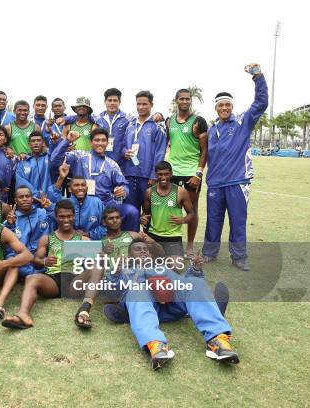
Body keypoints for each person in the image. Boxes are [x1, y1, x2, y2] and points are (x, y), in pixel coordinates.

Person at [105, 239, 239, 370]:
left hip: (173, 307)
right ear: (129, 256)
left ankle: (217, 340)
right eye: (138, 249)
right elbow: (112, 291)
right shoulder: (124, 270)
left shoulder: (161, 268)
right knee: (136, 291)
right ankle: (156, 344)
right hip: (146, 307)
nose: (143, 252)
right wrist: (116, 273)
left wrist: (195, 269)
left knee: (195, 283)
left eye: (146, 250)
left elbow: (184, 285)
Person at [203, 64, 268, 271]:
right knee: (213, 221)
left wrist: (257, 77)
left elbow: (261, 103)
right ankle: (209, 253)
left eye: (227, 105)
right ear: (215, 107)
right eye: (220, 105)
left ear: (232, 106)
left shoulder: (243, 122)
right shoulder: (212, 130)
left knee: (238, 222)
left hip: (237, 182)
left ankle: (239, 257)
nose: (224, 108)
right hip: (214, 184)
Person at [1, 199, 89, 330]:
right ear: (55, 216)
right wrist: (44, 261)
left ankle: (85, 310)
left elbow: (93, 265)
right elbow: (36, 263)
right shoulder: (46, 239)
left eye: (69, 216)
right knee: (31, 278)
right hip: (52, 282)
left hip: (74, 282)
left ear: (74, 216)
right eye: (62, 216)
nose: (66, 219)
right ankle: (23, 315)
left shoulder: (84, 240)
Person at [51, 127, 139, 230]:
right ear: (91, 142)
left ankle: (127, 243)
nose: (100, 143)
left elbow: (123, 184)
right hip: (81, 202)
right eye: (97, 140)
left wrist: (123, 191)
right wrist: (67, 141)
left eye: (103, 140)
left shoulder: (112, 165)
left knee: (132, 212)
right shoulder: (78, 156)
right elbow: (55, 161)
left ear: (107, 143)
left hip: (106, 203)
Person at [166, 88, 208, 257]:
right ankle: (173, 245)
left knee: (192, 210)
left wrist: (198, 173)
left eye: (187, 99)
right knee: (172, 208)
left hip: (191, 173)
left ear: (191, 101)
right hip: (173, 172)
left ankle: (189, 246)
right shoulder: (169, 122)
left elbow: (205, 150)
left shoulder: (198, 121)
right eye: (181, 99)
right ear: (176, 100)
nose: (184, 101)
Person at [121, 91, 167, 211]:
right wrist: (125, 152)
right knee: (131, 211)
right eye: (138, 104)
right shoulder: (130, 124)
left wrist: (154, 175)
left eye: (144, 104)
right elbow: (123, 145)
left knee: (149, 212)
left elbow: (160, 153)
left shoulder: (157, 126)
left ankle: (147, 231)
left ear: (151, 105)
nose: (141, 107)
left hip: (147, 177)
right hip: (129, 175)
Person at [141, 161, 195, 265]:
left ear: (171, 174)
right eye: (160, 174)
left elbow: (192, 214)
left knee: (176, 266)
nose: (163, 177)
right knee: (145, 264)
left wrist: (183, 220)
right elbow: (145, 213)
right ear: (156, 175)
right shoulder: (149, 192)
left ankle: (166, 257)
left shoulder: (181, 192)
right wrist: (142, 218)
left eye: (166, 174)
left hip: (173, 237)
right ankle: (162, 257)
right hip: (153, 235)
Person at [2, 186, 53, 281]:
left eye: (27, 196)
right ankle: (35, 275)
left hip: (41, 255)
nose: (25, 199)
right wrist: (10, 225)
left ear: (32, 198)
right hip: (22, 257)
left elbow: (59, 220)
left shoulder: (43, 213)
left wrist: (50, 208)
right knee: (12, 260)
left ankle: (39, 275)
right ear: (15, 200)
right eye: (21, 197)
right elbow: (9, 249)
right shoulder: (10, 220)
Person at [47, 166, 106, 240]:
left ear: (87, 188)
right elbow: (52, 196)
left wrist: (89, 234)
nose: (80, 188)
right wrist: (61, 177)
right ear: (70, 189)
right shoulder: (65, 202)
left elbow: (106, 227)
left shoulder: (97, 203)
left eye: (83, 185)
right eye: (76, 185)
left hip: (91, 242)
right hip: (67, 242)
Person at [15, 131, 51, 200]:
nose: (36, 143)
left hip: (49, 202)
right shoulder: (23, 162)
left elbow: (56, 154)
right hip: (30, 203)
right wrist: (38, 195)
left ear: (43, 143)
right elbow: (21, 183)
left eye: (38, 140)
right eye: (33, 141)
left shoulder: (49, 158)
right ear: (29, 144)